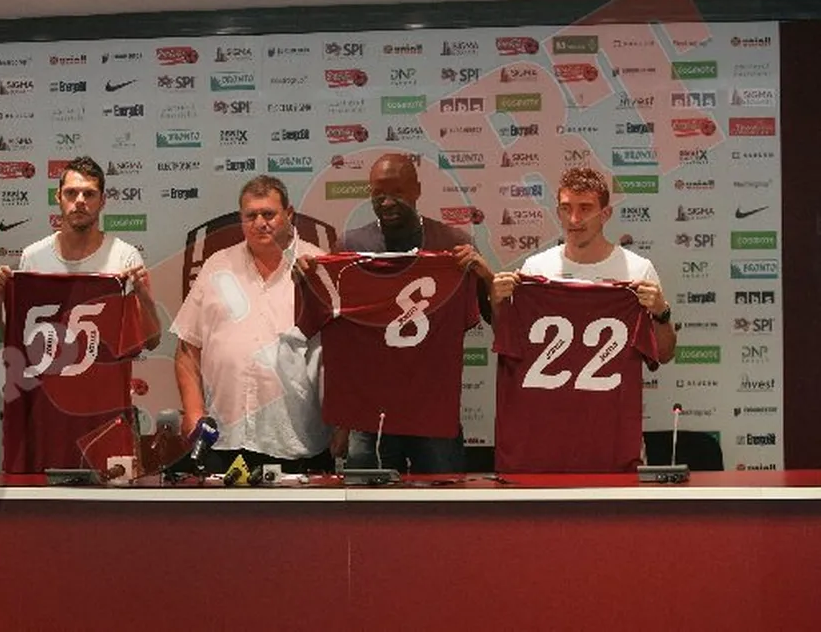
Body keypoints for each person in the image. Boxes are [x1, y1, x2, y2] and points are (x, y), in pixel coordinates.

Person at [329, 152, 495, 474]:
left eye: (397, 191)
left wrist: (486, 277)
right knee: (366, 504)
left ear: (417, 190)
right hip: (369, 413)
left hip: (432, 409)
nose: (387, 201)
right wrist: (343, 420)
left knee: (441, 502)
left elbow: (492, 318)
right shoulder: (350, 246)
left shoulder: (452, 245)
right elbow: (340, 338)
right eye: (378, 193)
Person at [171, 175, 334, 473]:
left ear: (289, 214)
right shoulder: (217, 266)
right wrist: (193, 412)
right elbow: (186, 348)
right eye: (251, 216)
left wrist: (344, 427)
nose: (260, 223)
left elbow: (345, 358)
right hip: (224, 439)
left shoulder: (319, 266)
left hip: (298, 442)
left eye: (268, 214)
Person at [490, 166, 676, 363]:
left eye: (585, 208)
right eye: (566, 208)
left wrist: (661, 313)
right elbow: (513, 345)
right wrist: (497, 303)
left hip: (616, 384)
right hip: (547, 383)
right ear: (558, 213)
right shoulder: (535, 268)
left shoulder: (638, 270)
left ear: (605, 214)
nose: (574, 219)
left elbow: (664, 355)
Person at [0, 156, 160, 349]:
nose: (79, 201)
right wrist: (3, 299)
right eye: (71, 193)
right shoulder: (33, 256)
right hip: (45, 369)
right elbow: (14, 339)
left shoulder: (125, 257)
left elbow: (152, 342)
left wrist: (144, 298)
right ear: (58, 197)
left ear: (102, 201)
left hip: (107, 369)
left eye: (89, 194)